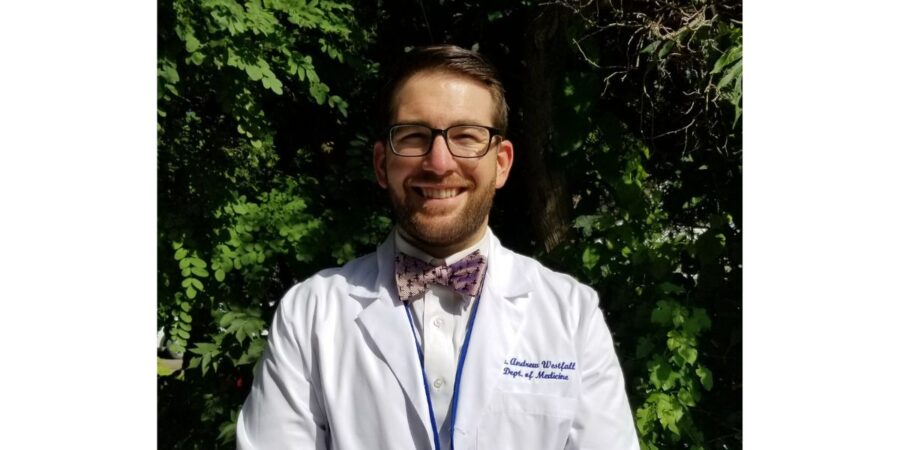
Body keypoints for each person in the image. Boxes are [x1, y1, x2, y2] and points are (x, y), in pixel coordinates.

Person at [236, 44, 639, 450]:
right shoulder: (310, 314)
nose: (439, 162)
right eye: (414, 137)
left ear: (501, 163)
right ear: (381, 164)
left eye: (466, 136)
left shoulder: (571, 314)